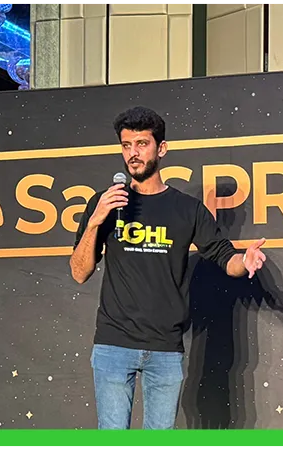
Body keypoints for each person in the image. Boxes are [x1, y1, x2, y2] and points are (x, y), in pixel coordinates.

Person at [69, 106, 266, 430]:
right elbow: (79, 272)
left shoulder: (186, 209)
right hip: (113, 345)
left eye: (141, 144)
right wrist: (94, 221)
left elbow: (223, 255)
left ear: (161, 149)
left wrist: (244, 261)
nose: (133, 154)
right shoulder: (105, 204)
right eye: (126, 145)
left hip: (164, 348)